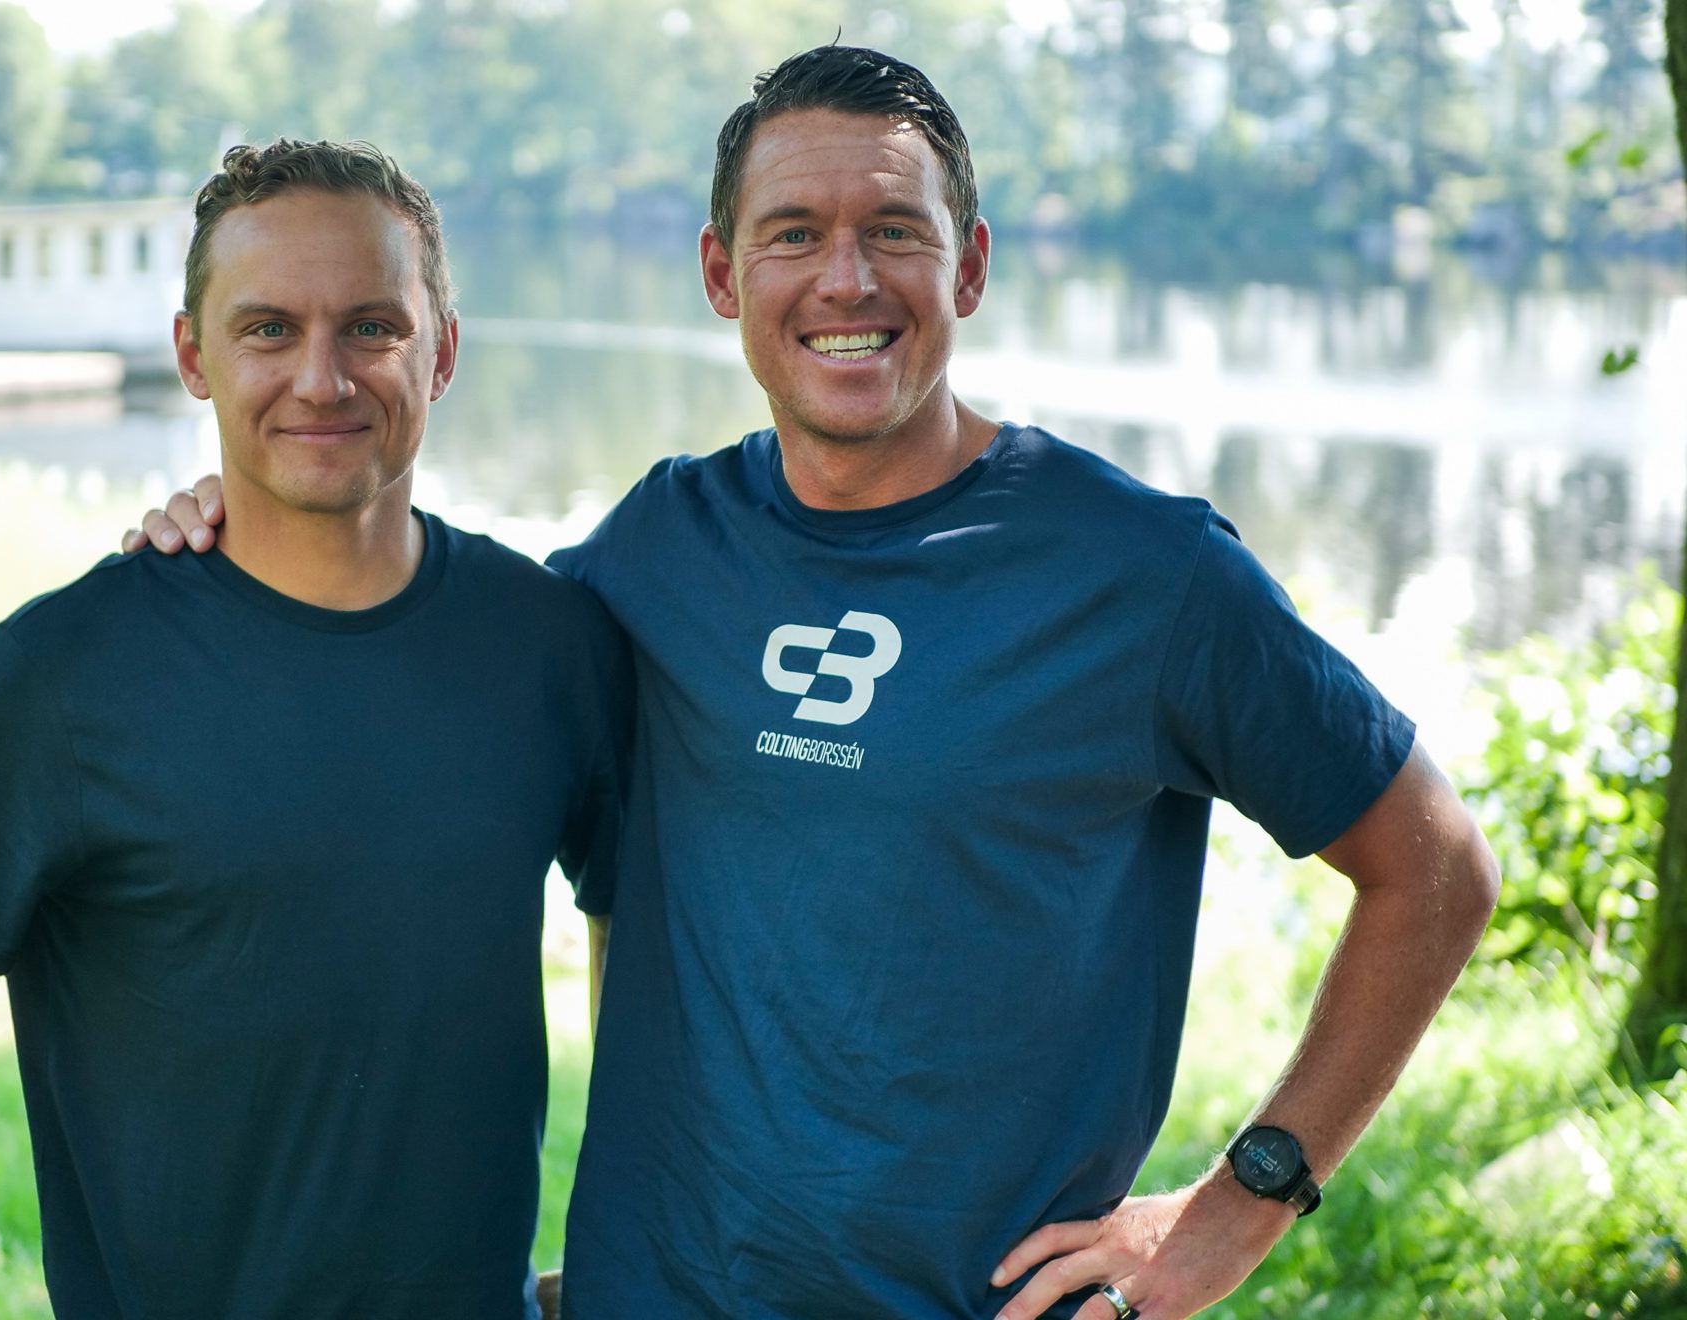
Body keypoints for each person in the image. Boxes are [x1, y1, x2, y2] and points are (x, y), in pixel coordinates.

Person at [133, 46, 1501, 1320]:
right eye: (792, 234)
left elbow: (1433, 868)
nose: (845, 282)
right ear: (722, 274)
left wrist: (1238, 1203)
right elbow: (408, 661)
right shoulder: (655, 549)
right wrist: (239, 527)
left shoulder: (1147, 573)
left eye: (893, 231)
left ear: (968, 265)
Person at [0, 138, 627, 1320]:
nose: (320, 380)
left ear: (440, 350)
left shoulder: (549, 642)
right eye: (267, 329)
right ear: (193, 354)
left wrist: (631, 1251)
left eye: (371, 327)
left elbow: (639, 931)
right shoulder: (66, 674)